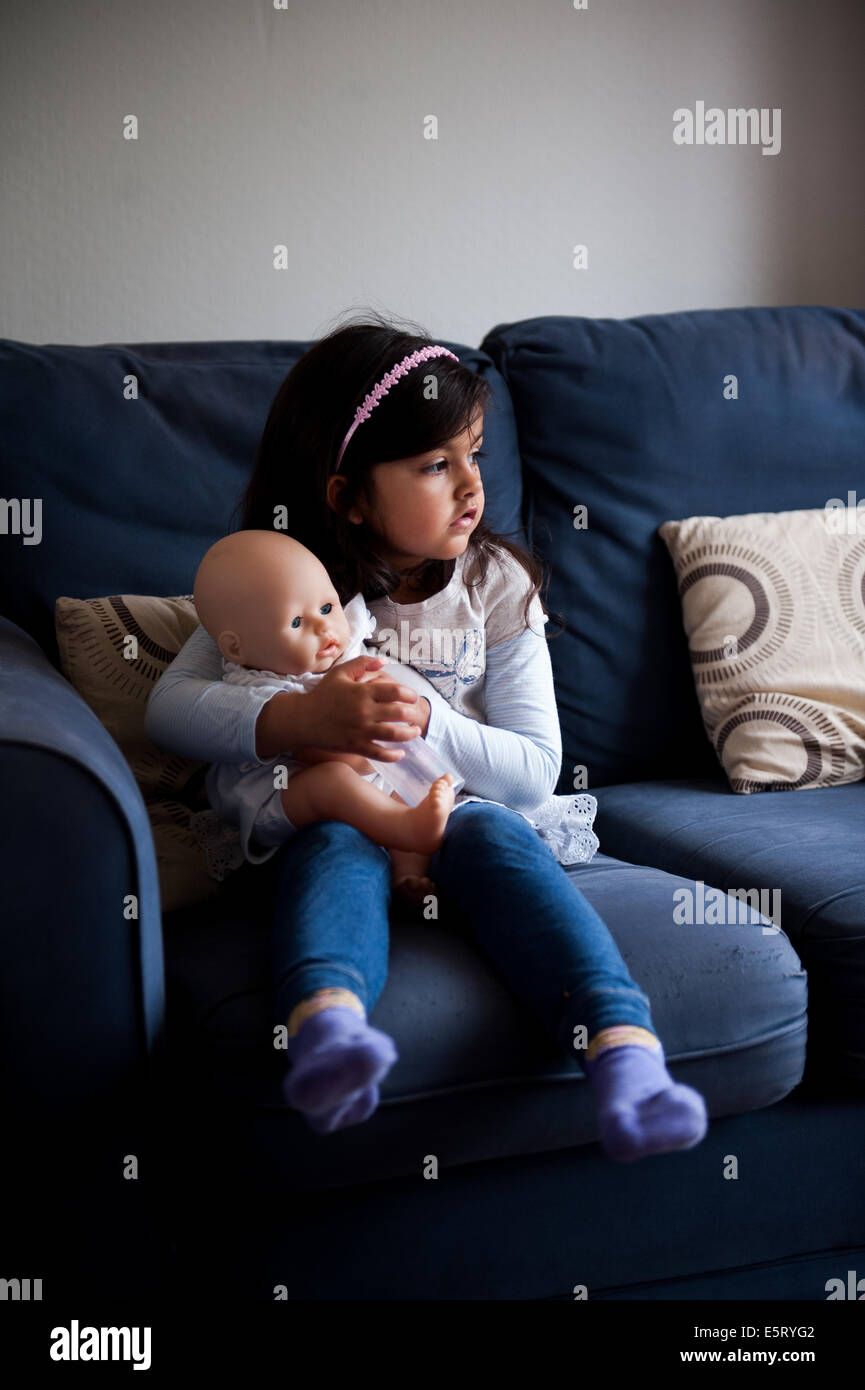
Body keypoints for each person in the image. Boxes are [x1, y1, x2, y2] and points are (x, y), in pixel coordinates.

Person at [145, 311, 708, 1160]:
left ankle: (623, 1052)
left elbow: (533, 772)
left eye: (474, 455)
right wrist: (300, 718)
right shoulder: (289, 582)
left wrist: (426, 717)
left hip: (464, 808)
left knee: (497, 844)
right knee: (333, 843)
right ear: (346, 495)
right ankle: (328, 1032)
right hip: (341, 816)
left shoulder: (496, 587)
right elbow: (170, 709)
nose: (472, 486)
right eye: (435, 465)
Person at [192, 528, 457, 894]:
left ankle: (408, 873)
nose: (324, 627)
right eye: (297, 623)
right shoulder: (259, 687)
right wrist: (370, 748)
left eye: (327, 607)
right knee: (333, 780)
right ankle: (409, 829)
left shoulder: (341, 648)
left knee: (404, 782)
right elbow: (320, 749)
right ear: (238, 649)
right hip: (284, 792)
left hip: (358, 766)